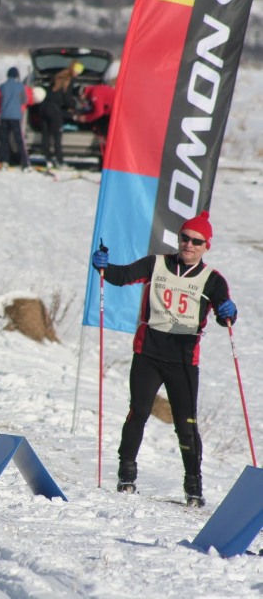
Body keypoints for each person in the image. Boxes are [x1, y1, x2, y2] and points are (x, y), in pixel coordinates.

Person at [90, 211, 236, 507]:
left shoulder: (212, 280)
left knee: (186, 424)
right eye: (185, 238)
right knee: (138, 411)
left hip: (183, 361)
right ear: (179, 239)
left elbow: (225, 315)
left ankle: (193, 485)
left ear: (207, 246)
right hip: (148, 354)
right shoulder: (157, 264)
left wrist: (229, 312)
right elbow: (121, 277)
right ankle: (126, 473)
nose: (189, 245)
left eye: (197, 241)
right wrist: (102, 265)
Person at [38, 61, 81, 169]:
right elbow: (67, 97)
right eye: (78, 70)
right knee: (57, 135)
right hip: (54, 110)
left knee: (46, 134)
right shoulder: (69, 80)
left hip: (44, 107)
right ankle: (59, 161)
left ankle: (48, 159)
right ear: (73, 69)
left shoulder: (57, 77)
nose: (79, 73)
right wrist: (74, 106)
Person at [0, 67, 29, 170]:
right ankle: (24, 162)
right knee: (19, 139)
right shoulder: (20, 86)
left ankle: (4, 161)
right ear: (16, 75)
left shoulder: (3, 86)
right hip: (15, 116)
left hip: (4, 115)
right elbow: (24, 100)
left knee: (4, 140)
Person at [73, 82, 116, 162]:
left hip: (113, 116)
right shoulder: (96, 89)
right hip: (112, 114)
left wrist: (86, 118)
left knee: (106, 140)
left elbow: (99, 112)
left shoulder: (94, 94)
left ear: (81, 95)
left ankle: (107, 161)